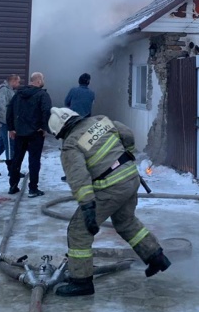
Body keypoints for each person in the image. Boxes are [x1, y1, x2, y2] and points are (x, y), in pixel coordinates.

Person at [48, 107, 171, 297]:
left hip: (111, 186)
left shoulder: (70, 145)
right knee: (126, 221)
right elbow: (127, 133)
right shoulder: (100, 119)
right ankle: (156, 257)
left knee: (78, 230)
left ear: (61, 131)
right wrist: (127, 155)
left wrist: (88, 206)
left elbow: (79, 178)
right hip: (131, 177)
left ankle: (81, 282)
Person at [6, 72, 52, 198]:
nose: (43, 81)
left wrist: (11, 128)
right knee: (34, 160)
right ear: (38, 81)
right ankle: (33, 189)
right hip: (35, 133)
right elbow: (46, 111)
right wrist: (44, 127)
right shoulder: (42, 95)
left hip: (20, 133)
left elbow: (9, 110)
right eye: (43, 79)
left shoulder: (18, 94)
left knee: (17, 159)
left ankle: (13, 186)